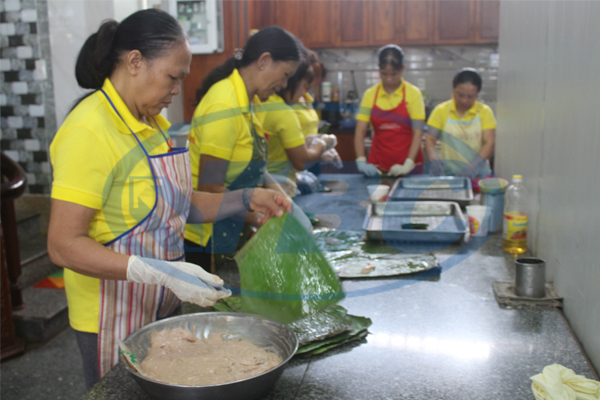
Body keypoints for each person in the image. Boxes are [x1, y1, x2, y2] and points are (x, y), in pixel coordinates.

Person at [47, 9, 290, 389]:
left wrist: (247, 198)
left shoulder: (152, 124)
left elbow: (177, 206)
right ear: (134, 62)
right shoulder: (89, 130)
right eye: (172, 77)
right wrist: (155, 270)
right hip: (111, 314)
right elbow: (62, 245)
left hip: (160, 304)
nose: (177, 90)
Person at [185, 26, 310, 270]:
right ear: (264, 60)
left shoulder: (251, 102)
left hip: (230, 229)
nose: (284, 84)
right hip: (206, 241)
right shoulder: (224, 104)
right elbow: (209, 188)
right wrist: (260, 218)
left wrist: (283, 204)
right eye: (285, 75)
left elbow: (255, 168)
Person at [258, 48, 338, 191]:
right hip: (277, 182)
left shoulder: (267, 102)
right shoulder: (283, 112)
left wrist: (308, 141)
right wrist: (324, 142)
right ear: (291, 82)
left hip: (268, 180)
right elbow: (302, 161)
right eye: (303, 87)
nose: (303, 92)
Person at [354, 44, 426, 177]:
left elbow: (418, 133)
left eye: (394, 74)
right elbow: (360, 131)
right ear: (379, 69)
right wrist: (361, 160)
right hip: (378, 165)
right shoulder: (370, 95)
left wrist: (408, 163)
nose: (389, 79)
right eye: (384, 73)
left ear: (402, 69)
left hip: (409, 166)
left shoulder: (413, 94)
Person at [425, 68, 496, 177]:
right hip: (449, 174)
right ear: (453, 91)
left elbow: (489, 142)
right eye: (460, 95)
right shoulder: (441, 111)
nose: (464, 100)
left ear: (477, 95)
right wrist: (433, 158)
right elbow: (430, 139)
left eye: (470, 97)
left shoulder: (485, 112)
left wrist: (473, 166)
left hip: (479, 174)